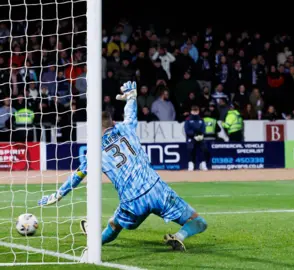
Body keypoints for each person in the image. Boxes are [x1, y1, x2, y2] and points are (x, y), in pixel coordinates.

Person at [38, 81, 207, 251]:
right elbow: (130, 114)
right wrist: (131, 97)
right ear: (112, 123)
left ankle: (94, 244)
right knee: (199, 222)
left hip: (132, 200)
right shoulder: (125, 128)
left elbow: (77, 176)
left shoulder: (94, 151)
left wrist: (58, 194)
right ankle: (178, 236)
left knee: (114, 226)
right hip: (157, 189)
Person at [184, 105, 209, 171]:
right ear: (191, 111)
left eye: (196, 111)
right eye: (193, 111)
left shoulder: (201, 119)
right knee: (191, 149)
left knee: (203, 149)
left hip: (200, 137)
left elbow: (203, 129)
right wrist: (194, 135)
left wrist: (200, 134)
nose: (195, 112)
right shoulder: (188, 120)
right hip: (191, 138)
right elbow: (187, 130)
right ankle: (191, 164)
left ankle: (202, 164)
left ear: (198, 111)